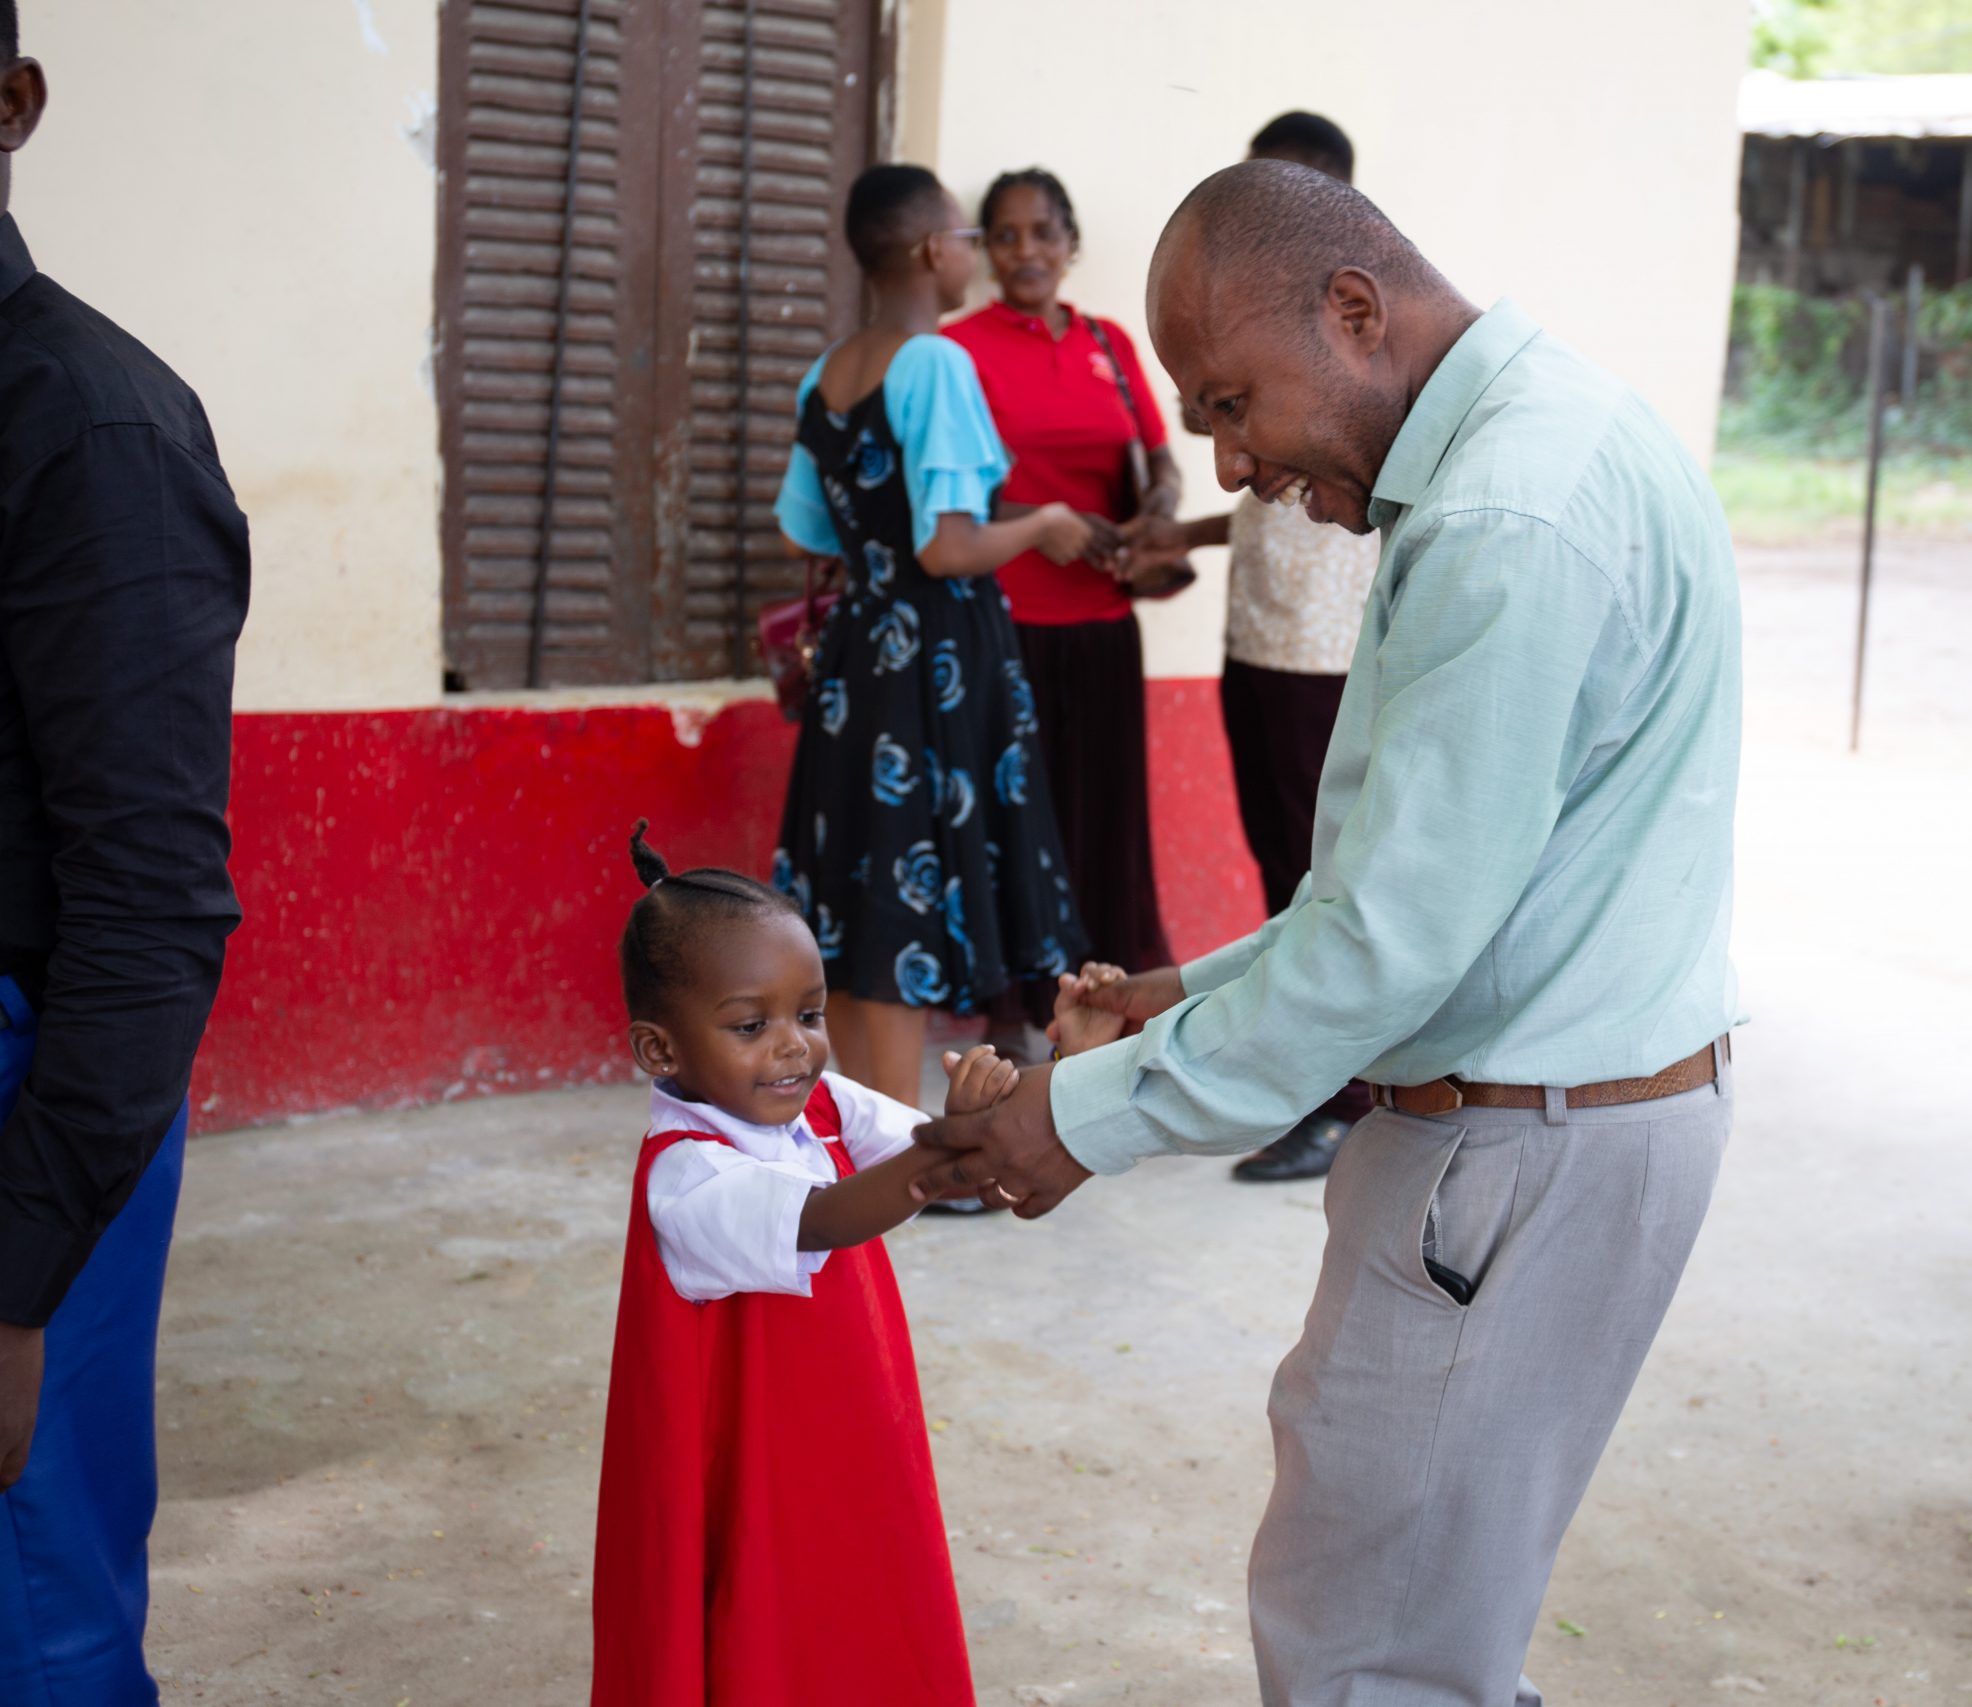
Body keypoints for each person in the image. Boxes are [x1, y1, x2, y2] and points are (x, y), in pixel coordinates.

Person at [907, 161, 1744, 1707]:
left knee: (1373, 1646)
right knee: (1433, 1606)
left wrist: (1079, 1117)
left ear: (1354, 311)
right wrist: (1182, 992)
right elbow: (1443, 889)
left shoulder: (1506, 514)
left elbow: (1394, 943)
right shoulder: (1563, 426)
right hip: (1572, 1121)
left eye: (1233, 401)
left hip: (1514, 1154)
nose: (1229, 466)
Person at [0, 14, 252, 1702]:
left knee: (37, 1613)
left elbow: (154, 907)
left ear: (10, 105)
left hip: (30, 1108)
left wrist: (17, 1275)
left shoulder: (91, 430)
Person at [590, 825, 1046, 1703]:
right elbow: (823, 1216)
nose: (794, 1045)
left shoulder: (823, 1103)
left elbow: (922, 1158)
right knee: (763, 1626)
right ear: (660, 1050)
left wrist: (976, 1143)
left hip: (852, 1430)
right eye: (751, 1025)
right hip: (757, 1466)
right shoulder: (686, 1173)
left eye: (809, 1013)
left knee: (864, 1597)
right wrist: (950, 1151)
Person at [769, 164, 1092, 1114]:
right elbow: (948, 545)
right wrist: (1042, 525)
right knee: (907, 891)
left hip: (861, 658)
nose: (972, 255)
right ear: (926, 250)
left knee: (869, 892)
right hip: (941, 663)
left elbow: (805, 530)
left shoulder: (828, 372)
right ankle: (908, 1137)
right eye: (962, 237)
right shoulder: (937, 362)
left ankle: (870, 1128)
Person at [1127, 112, 1383, 1185]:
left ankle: (1346, 1103)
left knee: (1325, 879)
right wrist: (1175, 533)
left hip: (1328, 662)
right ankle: (1317, 1087)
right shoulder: (1258, 351)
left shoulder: (1351, 359)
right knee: (1279, 868)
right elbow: (1262, 500)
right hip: (1257, 646)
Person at [943, 168, 1184, 988]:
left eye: (1043, 232)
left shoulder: (1109, 343)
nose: (1026, 250)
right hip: (1003, 624)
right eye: (1005, 235)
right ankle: (1012, 999)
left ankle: (1106, 986)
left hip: (1105, 623)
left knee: (1104, 818)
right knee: (1011, 818)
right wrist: (1043, 525)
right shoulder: (958, 348)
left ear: (1070, 244)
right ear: (985, 253)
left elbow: (1159, 459)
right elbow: (951, 488)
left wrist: (1156, 511)